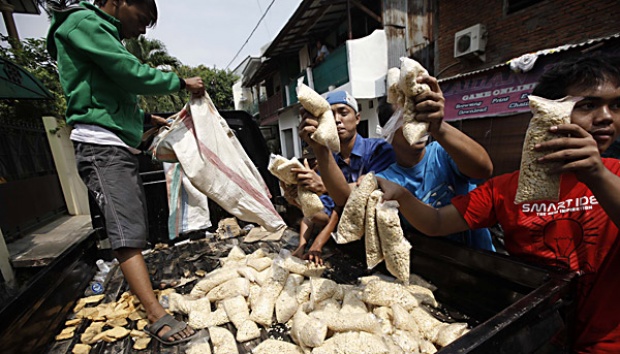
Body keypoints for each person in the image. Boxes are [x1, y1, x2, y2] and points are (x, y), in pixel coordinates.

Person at [376, 54, 620, 353]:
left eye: (616, 105)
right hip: (536, 337)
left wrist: (595, 174)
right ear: (548, 112)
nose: (606, 116)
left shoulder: (615, 176)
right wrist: (401, 195)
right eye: (588, 105)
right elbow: (436, 223)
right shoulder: (507, 189)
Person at [47, 0, 205, 345]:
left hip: (115, 143)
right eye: (144, 19)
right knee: (126, 227)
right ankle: (154, 313)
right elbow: (127, 73)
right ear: (122, 1)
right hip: (100, 146)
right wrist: (179, 82)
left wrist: (145, 121)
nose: (143, 30)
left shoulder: (99, 30)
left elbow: (109, 93)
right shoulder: (83, 23)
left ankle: (145, 289)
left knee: (134, 221)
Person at [375, 76, 495, 251]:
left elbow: (483, 169)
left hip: (481, 260)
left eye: (419, 116)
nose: (417, 125)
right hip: (438, 268)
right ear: (388, 130)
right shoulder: (387, 180)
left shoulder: (442, 152)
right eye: (407, 119)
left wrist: (439, 128)